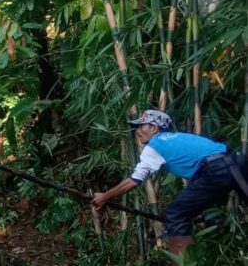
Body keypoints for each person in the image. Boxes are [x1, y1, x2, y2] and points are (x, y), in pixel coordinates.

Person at [92, 110, 248, 256]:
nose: (137, 131)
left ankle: (185, 263)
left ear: (154, 127)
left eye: (141, 126)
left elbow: (134, 180)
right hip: (238, 163)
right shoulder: (179, 137)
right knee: (201, 213)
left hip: (215, 171)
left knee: (176, 213)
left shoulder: (154, 146)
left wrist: (105, 196)